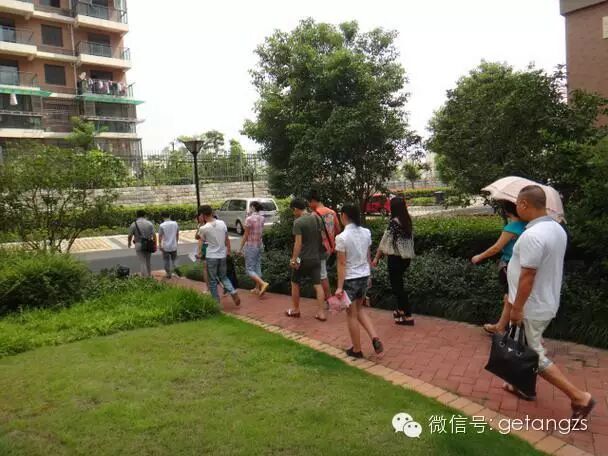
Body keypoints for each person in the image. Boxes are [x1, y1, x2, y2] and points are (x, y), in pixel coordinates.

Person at [506, 185, 595, 419]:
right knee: (526, 346)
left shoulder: (533, 235)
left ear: (524, 204)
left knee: (533, 354)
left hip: (531, 306)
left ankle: (579, 397)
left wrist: (517, 308)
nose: (515, 208)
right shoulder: (556, 228)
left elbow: (528, 276)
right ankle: (521, 386)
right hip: (544, 302)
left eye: (517, 204)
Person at [335, 204, 384, 358]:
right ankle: (375, 337)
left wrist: (339, 287)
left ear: (344, 216)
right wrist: (369, 276)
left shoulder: (341, 237)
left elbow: (341, 264)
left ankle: (356, 350)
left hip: (350, 279)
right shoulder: (366, 232)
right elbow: (368, 256)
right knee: (360, 309)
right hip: (364, 276)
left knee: (351, 314)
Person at [471, 201, 526, 335]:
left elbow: (496, 248)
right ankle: (501, 326)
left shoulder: (511, 228)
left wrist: (479, 257)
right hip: (525, 265)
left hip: (510, 265)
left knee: (510, 297)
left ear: (507, 211)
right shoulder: (528, 224)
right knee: (511, 296)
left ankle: (513, 330)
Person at [372, 197, 415, 325]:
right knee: (399, 285)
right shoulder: (407, 220)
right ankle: (400, 310)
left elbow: (384, 241)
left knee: (397, 288)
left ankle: (407, 315)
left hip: (395, 259)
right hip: (406, 259)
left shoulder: (394, 223)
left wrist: (376, 258)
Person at [285, 198, 326, 321]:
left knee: (295, 282)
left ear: (296, 209)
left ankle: (296, 309)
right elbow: (322, 237)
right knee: (318, 285)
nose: (293, 213)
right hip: (316, 257)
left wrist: (294, 259)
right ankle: (321, 313)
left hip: (302, 259)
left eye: (293, 211)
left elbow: (298, 244)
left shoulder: (298, 222)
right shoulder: (317, 218)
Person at [198, 205, 240, 305]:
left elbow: (200, 240)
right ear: (211, 212)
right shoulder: (222, 223)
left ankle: (216, 302)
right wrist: (228, 251)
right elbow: (226, 239)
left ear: (203, 215)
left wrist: (199, 253)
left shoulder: (204, 228)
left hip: (211, 256)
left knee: (212, 280)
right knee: (223, 277)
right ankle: (233, 291)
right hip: (222, 255)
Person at [307, 190, 342, 302]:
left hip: (320, 249)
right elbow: (338, 231)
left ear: (313, 201)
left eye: (309, 202)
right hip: (331, 249)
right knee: (323, 273)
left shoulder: (313, 215)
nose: (309, 205)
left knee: (322, 275)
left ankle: (329, 299)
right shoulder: (332, 212)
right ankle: (326, 297)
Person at [239, 201, 270, 296]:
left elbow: (245, 235)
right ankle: (257, 288)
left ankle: (263, 283)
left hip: (251, 246)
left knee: (249, 269)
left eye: (250, 207)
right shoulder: (262, 218)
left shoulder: (249, 219)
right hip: (259, 245)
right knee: (257, 266)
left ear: (252, 207)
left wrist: (240, 248)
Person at [127, 209, 155, 277]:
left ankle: (144, 278)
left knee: (142, 262)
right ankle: (149, 275)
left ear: (137, 215)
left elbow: (130, 235)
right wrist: (153, 243)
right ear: (144, 215)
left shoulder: (134, 224)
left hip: (139, 243)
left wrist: (129, 243)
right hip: (148, 244)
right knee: (148, 261)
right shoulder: (149, 223)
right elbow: (153, 234)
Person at [158, 211, 179, 279]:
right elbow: (177, 234)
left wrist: (160, 245)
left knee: (166, 260)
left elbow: (160, 236)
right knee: (174, 260)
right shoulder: (175, 223)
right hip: (174, 245)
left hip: (166, 246)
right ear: (169, 216)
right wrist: (176, 242)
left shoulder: (162, 225)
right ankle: (177, 272)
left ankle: (168, 274)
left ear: (162, 217)